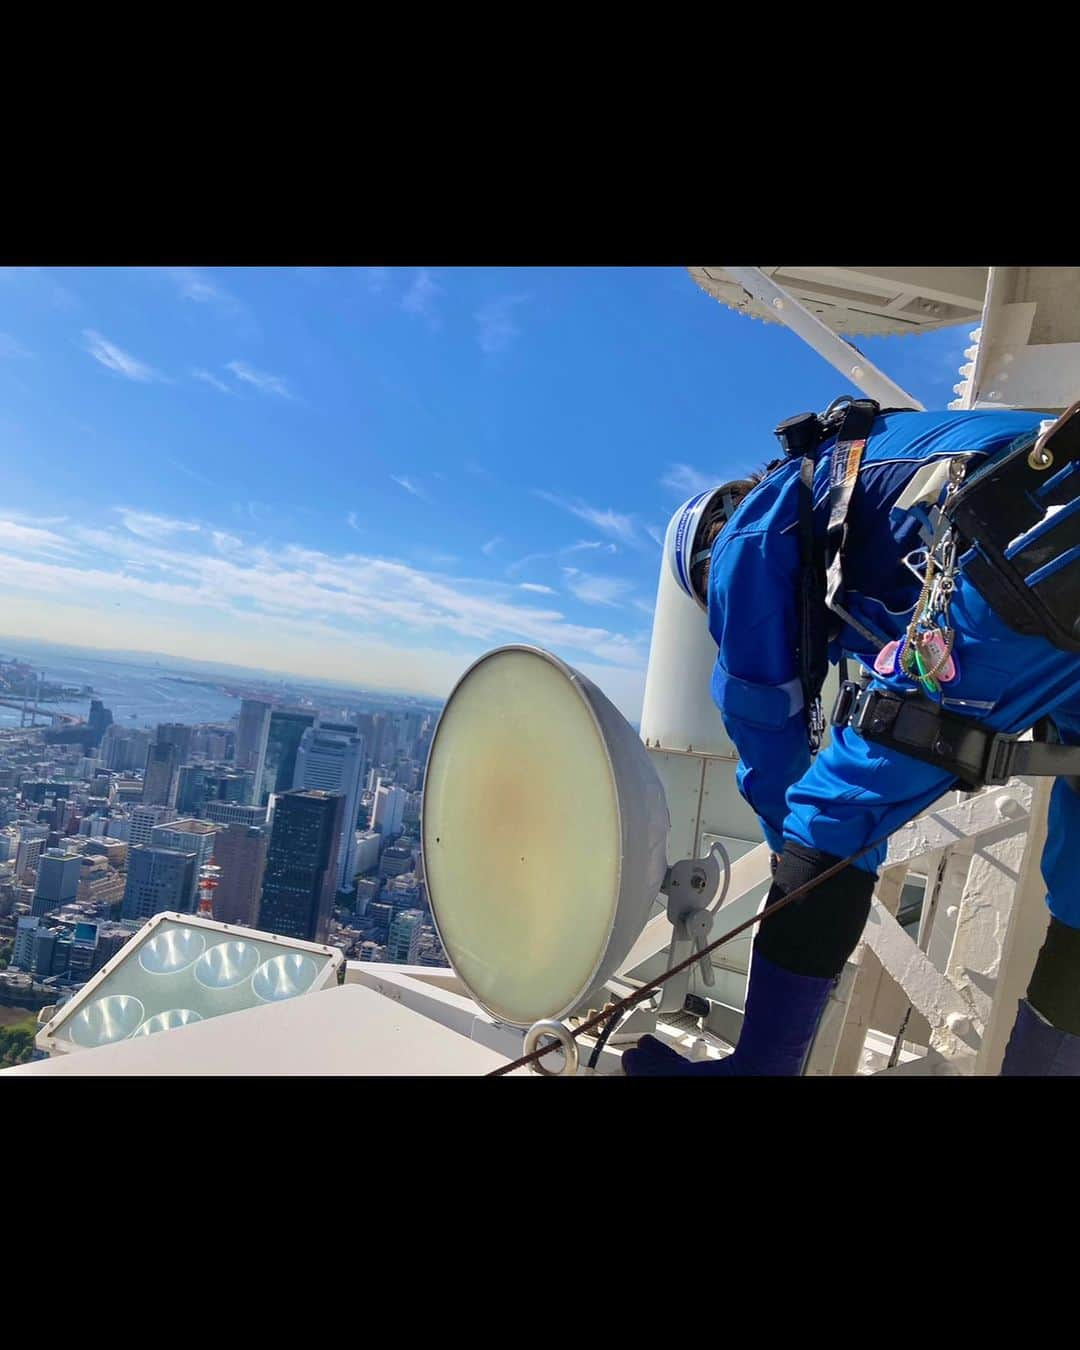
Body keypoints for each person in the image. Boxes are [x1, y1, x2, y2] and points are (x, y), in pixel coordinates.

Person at [623, 399, 1080, 1076]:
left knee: (832, 814)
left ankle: (761, 1071)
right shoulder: (865, 497)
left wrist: (805, 864)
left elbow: (764, 727)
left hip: (1031, 553)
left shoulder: (745, 536)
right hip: (1046, 551)